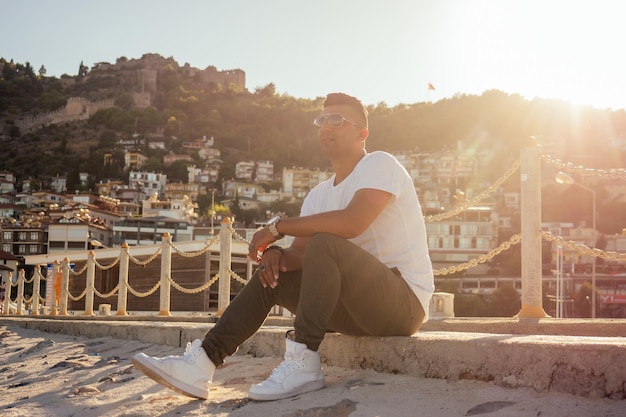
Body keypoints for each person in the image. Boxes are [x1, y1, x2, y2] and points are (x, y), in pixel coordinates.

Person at [132, 92, 434, 401]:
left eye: (337, 120)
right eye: (321, 120)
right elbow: (302, 256)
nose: (326, 127)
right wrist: (275, 255)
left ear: (362, 134)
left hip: (402, 304)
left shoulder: (380, 164)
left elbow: (352, 222)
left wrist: (277, 228)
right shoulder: (318, 195)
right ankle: (203, 362)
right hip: (353, 311)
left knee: (325, 242)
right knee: (273, 275)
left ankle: (303, 361)